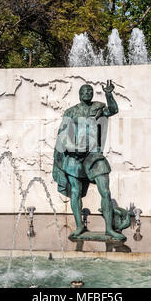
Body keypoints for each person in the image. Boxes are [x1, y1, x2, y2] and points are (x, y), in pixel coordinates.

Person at [52, 80, 125, 240]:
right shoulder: (71, 112)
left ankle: (109, 229)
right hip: (74, 157)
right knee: (76, 192)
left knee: (105, 191)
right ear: (79, 95)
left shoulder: (98, 107)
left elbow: (113, 110)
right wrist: (71, 147)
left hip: (94, 155)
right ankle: (79, 226)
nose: (87, 93)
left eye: (90, 91)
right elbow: (62, 135)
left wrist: (108, 94)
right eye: (84, 91)